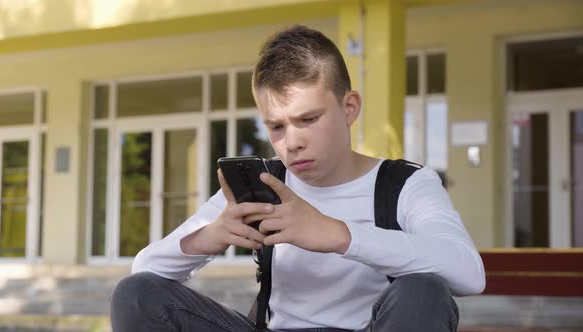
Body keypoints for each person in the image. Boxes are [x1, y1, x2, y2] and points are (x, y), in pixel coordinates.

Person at [110, 25, 485, 332]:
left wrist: (337, 234)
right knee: (135, 294)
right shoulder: (265, 181)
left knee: (424, 289)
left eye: (308, 119)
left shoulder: (405, 184)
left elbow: (468, 273)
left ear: (349, 107)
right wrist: (211, 235)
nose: (292, 142)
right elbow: (143, 277)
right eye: (276, 126)